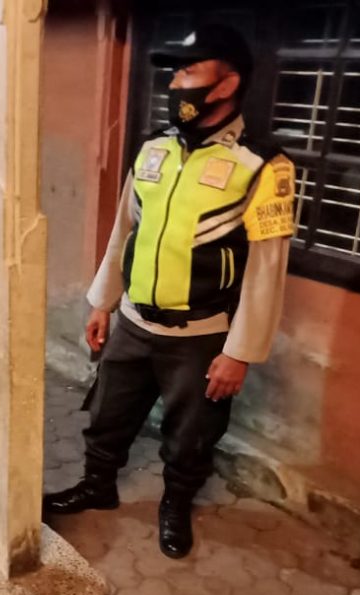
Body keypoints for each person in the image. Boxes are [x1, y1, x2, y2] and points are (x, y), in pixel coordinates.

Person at [43, 25, 295, 559]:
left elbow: (267, 269)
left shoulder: (263, 166)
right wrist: (103, 302)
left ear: (227, 84)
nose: (176, 83)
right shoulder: (153, 149)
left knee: (192, 434)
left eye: (188, 71)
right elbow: (124, 231)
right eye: (174, 72)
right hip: (133, 323)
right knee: (107, 414)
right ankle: (97, 486)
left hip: (200, 337)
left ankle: (176, 505)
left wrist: (239, 353)